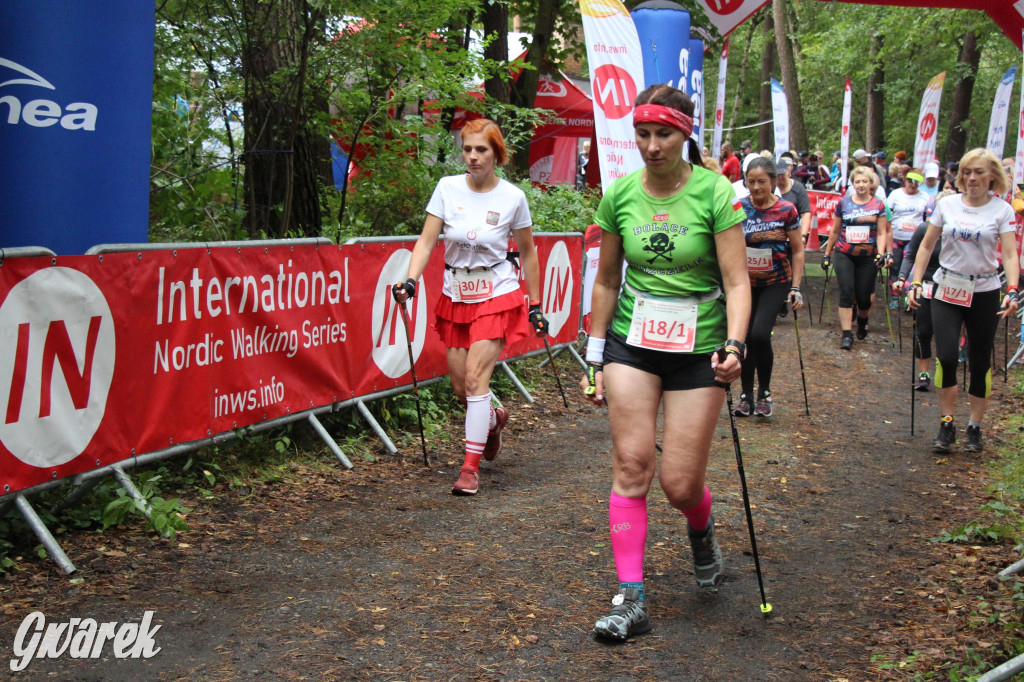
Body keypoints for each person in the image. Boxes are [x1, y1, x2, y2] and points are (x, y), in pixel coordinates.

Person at [579, 83, 750, 640]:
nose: (652, 146)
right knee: (632, 466)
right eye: (644, 134)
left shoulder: (714, 192)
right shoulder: (620, 194)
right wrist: (595, 352)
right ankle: (631, 597)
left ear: (685, 133)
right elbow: (606, 279)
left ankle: (701, 530)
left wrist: (737, 344)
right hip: (633, 341)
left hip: (699, 348)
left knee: (679, 485)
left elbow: (736, 280)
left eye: (664, 134)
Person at [394, 117, 546, 496]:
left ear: (497, 153)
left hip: (497, 291)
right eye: (468, 149)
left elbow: (528, 253)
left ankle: (468, 469)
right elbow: (427, 241)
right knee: (462, 389)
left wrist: (536, 303)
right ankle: (493, 418)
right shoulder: (446, 188)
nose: (473, 157)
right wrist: (411, 280)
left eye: (482, 150)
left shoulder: (513, 197)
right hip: (456, 293)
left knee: (478, 380)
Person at [907, 148, 1020, 454]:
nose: (972, 178)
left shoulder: (1002, 210)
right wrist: (915, 281)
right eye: (967, 172)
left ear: (992, 176)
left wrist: (1011, 288)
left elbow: (1009, 254)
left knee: (981, 359)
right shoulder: (948, 205)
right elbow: (926, 246)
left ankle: (974, 426)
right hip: (947, 288)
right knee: (945, 356)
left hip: (984, 291)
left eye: (979, 172)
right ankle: (946, 423)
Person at [735, 157, 804, 417]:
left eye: (762, 182)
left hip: (776, 281)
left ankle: (764, 392)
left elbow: (797, 250)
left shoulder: (787, 209)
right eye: (750, 182)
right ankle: (746, 395)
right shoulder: (738, 207)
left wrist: (795, 287)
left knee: (760, 335)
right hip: (744, 283)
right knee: (743, 337)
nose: (756, 187)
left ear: (774, 182)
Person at [894, 189, 957, 391]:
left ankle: (948, 365)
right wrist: (903, 278)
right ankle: (923, 374)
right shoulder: (924, 229)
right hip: (927, 285)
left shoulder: (961, 233)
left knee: (948, 333)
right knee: (923, 331)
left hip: (952, 287)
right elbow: (910, 254)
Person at [822, 165, 891, 349]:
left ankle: (862, 320)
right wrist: (827, 254)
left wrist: (881, 253)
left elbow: (882, 232)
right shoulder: (844, 203)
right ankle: (846, 334)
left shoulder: (878, 205)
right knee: (846, 291)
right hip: (845, 253)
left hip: (868, 256)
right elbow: (835, 230)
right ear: (853, 184)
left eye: (864, 182)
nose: (861, 185)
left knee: (864, 297)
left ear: (871, 184)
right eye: (857, 182)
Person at [886, 168, 931, 303]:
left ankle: (908, 296)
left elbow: (928, 218)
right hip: (896, 236)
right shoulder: (895, 194)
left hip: (913, 238)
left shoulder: (924, 197)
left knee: (911, 269)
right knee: (895, 267)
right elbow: (887, 215)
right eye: (911, 181)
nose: (913, 185)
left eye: (917, 183)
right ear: (905, 180)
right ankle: (894, 297)